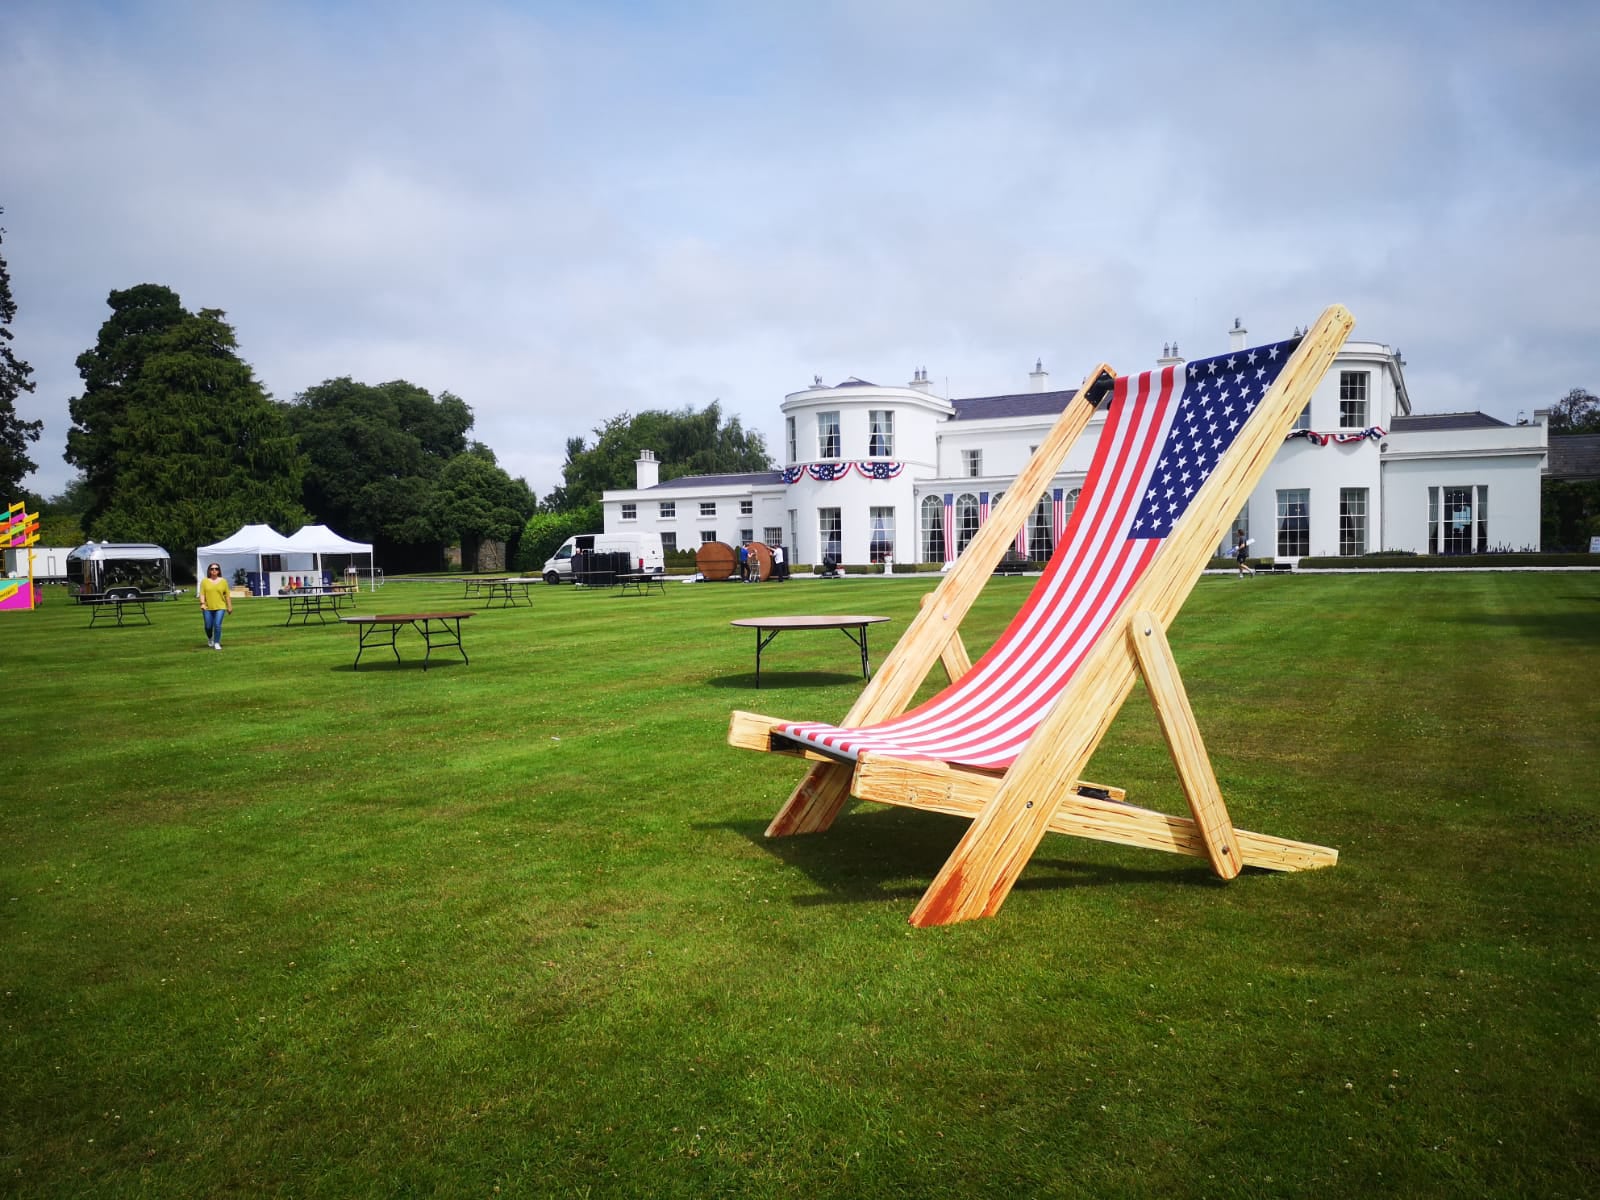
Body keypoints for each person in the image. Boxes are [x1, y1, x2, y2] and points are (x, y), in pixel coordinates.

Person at [198, 561, 233, 649]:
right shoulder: (204, 581)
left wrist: (229, 606)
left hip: (220, 607)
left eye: (216, 569)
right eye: (212, 569)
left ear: (219, 571)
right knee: (208, 626)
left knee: (217, 624)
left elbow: (227, 595)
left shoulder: (223, 581)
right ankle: (210, 638)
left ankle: (217, 642)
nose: (214, 570)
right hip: (207, 607)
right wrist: (202, 603)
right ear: (209, 570)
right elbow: (202, 594)